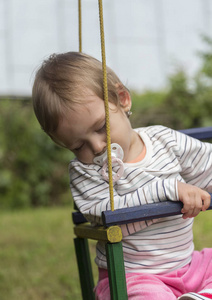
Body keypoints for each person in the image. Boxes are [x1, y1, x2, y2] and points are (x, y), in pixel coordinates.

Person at [32, 51, 212, 300]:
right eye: (77, 146)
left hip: (188, 266)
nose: (96, 147)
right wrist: (169, 189)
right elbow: (106, 213)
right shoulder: (86, 173)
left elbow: (208, 167)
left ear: (123, 99)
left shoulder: (165, 141)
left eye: (100, 127)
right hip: (130, 277)